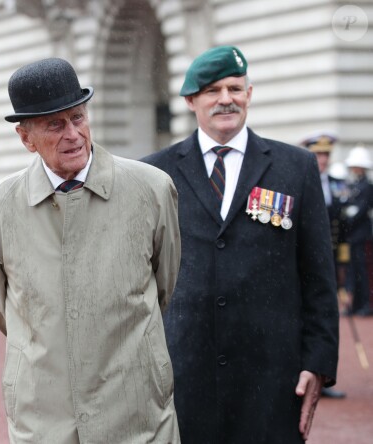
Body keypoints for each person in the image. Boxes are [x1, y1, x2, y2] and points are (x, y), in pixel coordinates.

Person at [0, 57, 181, 443]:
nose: (73, 134)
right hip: (44, 416)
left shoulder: (151, 189)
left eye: (78, 118)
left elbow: (163, 286)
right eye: (55, 124)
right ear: (25, 137)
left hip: (137, 412)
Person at [142, 46, 339, 444]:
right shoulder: (153, 172)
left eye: (235, 87)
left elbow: (318, 274)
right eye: (212, 90)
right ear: (190, 101)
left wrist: (317, 362)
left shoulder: (295, 167)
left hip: (271, 378)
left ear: (250, 93)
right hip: (184, 374)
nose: (226, 99)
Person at [300, 132, 348, 399]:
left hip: (329, 257)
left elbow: (343, 228)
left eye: (326, 155)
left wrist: (342, 260)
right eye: (318, 154)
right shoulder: (299, 179)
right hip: (306, 259)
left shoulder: (338, 185)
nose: (322, 160)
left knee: (327, 314)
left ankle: (322, 370)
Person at [343, 145, 373, 316]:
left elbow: (359, 210)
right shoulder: (354, 185)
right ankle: (355, 304)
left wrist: (348, 215)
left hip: (362, 234)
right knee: (353, 270)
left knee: (363, 270)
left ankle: (365, 304)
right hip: (353, 235)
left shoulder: (367, 186)